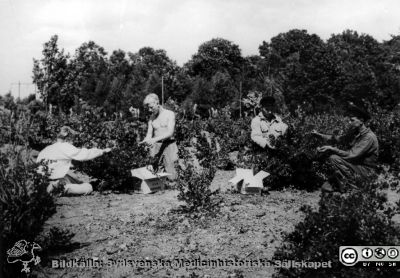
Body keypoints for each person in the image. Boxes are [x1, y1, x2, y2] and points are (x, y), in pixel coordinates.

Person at [312, 102, 379, 193]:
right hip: (356, 167)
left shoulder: (369, 137)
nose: (349, 122)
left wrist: (331, 148)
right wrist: (319, 135)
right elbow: (337, 139)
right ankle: (345, 183)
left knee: (334, 158)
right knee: (325, 187)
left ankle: (354, 187)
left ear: (361, 121)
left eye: (352, 120)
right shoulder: (355, 133)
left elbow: (352, 155)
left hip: (366, 171)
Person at [37, 126, 112, 195]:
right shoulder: (65, 146)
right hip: (53, 180)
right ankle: (56, 188)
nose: (73, 142)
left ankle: (52, 187)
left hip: (42, 180)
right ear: (68, 138)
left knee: (70, 177)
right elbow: (83, 154)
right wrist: (102, 151)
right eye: (73, 139)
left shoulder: (47, 148)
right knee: (88, 187)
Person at [140, 93, 179, 183]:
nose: (150, 110)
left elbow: (170, 132)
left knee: (173, 178)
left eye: (151, 107)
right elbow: (149, 134)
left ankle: (169, 171)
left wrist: (154, 139)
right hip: (156, 145)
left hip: (169, 145)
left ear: (157, 103)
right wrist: (145, 141)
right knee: (155, 175)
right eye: (148, 108)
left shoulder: (169, 114)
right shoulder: (151, 118)